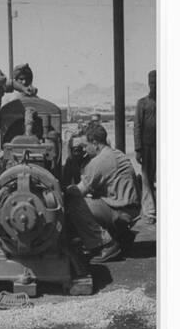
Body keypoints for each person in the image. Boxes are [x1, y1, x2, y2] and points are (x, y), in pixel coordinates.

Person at [65, 124, 141, 263]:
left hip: (122, 211)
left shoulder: (100, 161)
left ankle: (106, 245)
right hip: (128, 208)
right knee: (89, 199)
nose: (84, 150)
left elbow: (78, 192)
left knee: (74, 204)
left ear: (95, 143)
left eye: (85, 145)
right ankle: (121, 235)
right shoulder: (114, 153)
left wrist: (60, 190)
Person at [134, 70, 157, 224]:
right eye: (152, 83)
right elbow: (137, 126)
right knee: (147, 179)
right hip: (148, 147)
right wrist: (138, 149)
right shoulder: (142, 103)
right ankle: (150, 212)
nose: (154, 86)